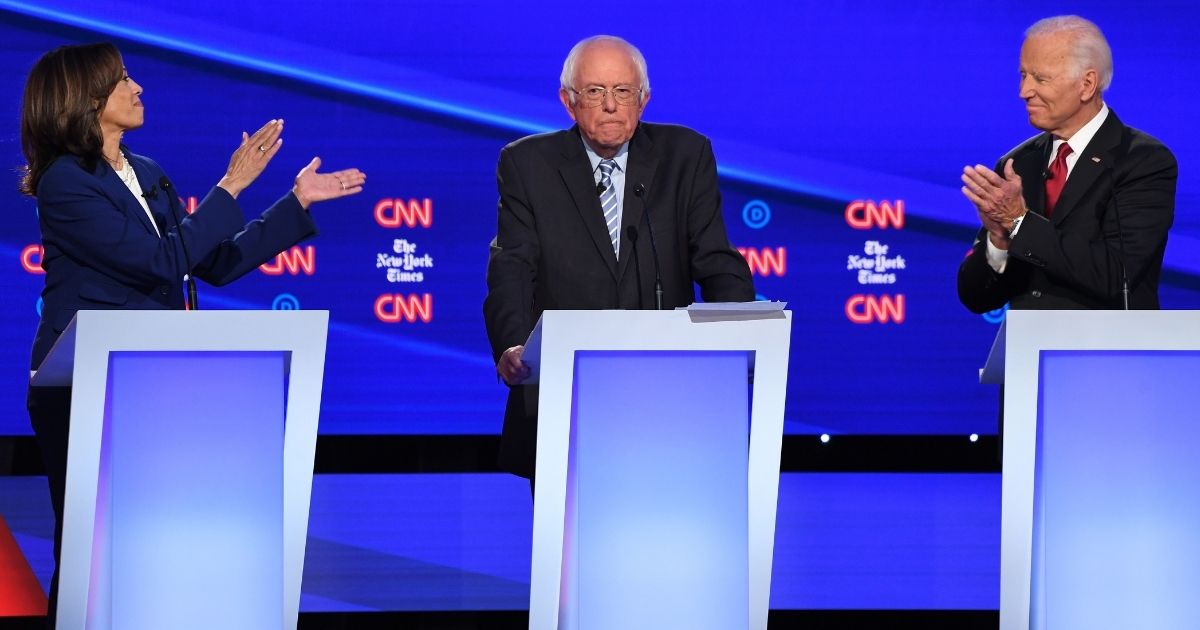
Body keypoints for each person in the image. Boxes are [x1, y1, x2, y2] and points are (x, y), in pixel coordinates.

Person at [19, 42, 365, 626]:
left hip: (152, 383)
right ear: (85, 98)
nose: (138, 88)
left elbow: (215, 261)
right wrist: (230, 186)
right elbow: (159, 261)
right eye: (123, 80)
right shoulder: (65, 183)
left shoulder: (147, 172)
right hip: (85, 388)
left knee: (151, 550)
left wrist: (294, 202)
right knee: (90, 553)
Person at [483, 35, 755, 482]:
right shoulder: (527, 164)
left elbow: (716, 259)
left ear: (643, 100)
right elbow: (512, 266)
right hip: (565, 392)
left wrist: (740, 338)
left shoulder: (685, 156)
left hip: (672, 392)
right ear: (568, 103)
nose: (610, 105)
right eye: (594, 92)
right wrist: (513, 345)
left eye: (622, 91)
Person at [958, 15, 1176, 313]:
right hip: (1030, 355)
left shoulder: (1142, 161)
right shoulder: (1018, 164)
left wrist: (1019, 222)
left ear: (1087, 84)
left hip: (1110, 354)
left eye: (1040, 78)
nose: (1024, 91)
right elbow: (977, 298)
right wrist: (999, 240)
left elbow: (1115, 276)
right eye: (1023, 75)